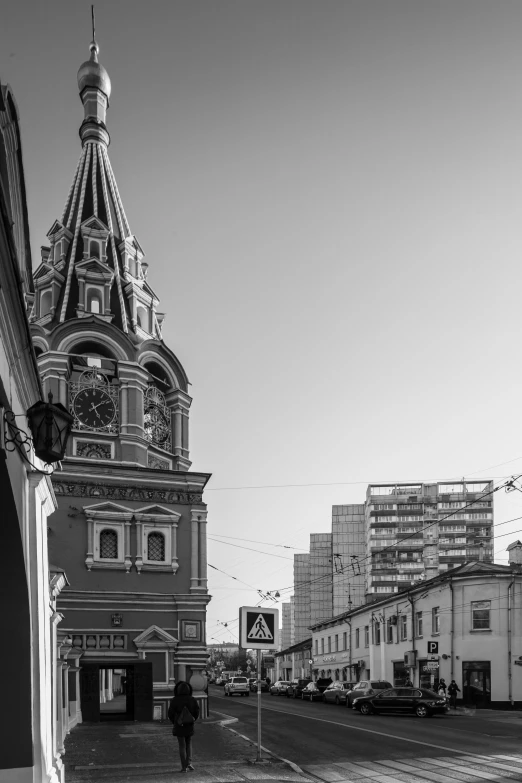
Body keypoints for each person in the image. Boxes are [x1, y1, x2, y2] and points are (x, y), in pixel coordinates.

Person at [168, 681, 200, 772]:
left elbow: (170, 713)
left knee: (182, 745)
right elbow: (196, 712)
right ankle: (189, 763)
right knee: (188, 743)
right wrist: (192, 719)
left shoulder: (175, 700)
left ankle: (183, 767)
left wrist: (175, 721)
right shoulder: (192, 699)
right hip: (189, 725)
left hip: (179, 725)